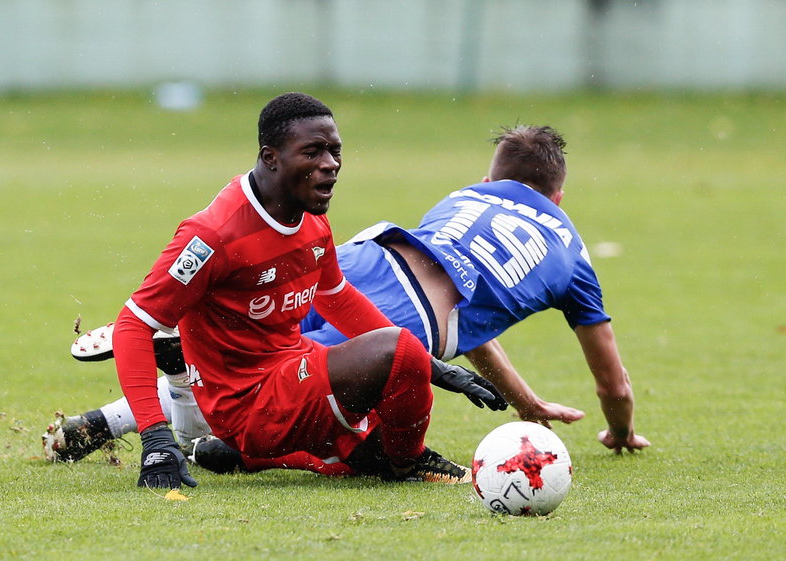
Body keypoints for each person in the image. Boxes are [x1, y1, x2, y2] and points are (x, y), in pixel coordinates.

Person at [44, 122, 649, 477]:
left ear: (492, 181)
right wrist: (616, 431)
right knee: (277, 412)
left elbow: (460, 292)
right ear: (559, 197)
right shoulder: (569, 247)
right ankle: (188, 398)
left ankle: (122, 403)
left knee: (254, 348)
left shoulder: (466, 198)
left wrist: (520, 398)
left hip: (364, 260)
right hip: (402, 316)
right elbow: (611, 385)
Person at [102, 92, 506, 490]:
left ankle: (251, 456)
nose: (330, 165)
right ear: (270, 158)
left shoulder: (311, 220)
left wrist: (433, 367)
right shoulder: (213, 234)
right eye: (313, 152)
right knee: (396, 353)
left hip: (292, 368)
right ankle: (406, 464)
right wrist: (156, 440)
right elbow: (132, 325)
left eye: (335, 151)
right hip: (247, 401)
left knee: (381, 415)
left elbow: (336, 297)